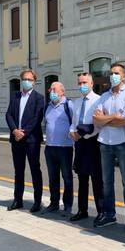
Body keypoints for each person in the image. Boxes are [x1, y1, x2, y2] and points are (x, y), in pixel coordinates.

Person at [93, 62, 125, 232]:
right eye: (111, 73)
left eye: (117, 73)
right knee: (107, 182)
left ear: (124, 76)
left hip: (123, 144)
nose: (113, 76)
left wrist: (106, 119)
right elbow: (96, 120)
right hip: (105, 143)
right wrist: (113, 117)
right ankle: (110, 215)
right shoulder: (104, 96)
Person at [5, 69, 45, 213]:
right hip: (16, 139)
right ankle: (18, 200)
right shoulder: (15, 96)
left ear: (34, 81)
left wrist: (24, 132)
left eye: (29, 79)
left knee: (35, 170)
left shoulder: (39, 98)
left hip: (31, 140)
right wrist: (14, 130)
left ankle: (37, 201)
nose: (26, 81)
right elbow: (9, 114)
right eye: (24, 79)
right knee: (18, 171)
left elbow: (37, 118)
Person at [69, 73, 104, 225]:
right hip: (80, 144)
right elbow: (73, 122)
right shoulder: (76, 102)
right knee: (82, 179)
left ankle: (101, 211)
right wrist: (73, 133)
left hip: (93, 143)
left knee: (97, 180)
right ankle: (82, 210)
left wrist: (81, 132)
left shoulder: (99, 100)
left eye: (85, 82)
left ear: (91, 83)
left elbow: (97, 124)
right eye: (80, 83)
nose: (82, 85)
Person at [43, 81, 75, 214]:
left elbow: (75, 123)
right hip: (50, 148)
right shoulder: (48, 106)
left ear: (62, 92)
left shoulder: (69, 105)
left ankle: (67, 205)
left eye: (55, 89)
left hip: (65, 147)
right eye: (50, 89)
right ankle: (54, 203)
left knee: (67, 177)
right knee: (52, 177)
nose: (52, 92)